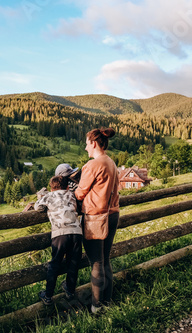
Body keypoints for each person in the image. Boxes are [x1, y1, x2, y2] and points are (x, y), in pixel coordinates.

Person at [75, 127, 119, 314]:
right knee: (105, 260)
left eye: (86, 144)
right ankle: (107, 301)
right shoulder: (111, 162)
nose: (85, 148)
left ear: (93, 143)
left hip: (95, 217)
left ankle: (96, 306)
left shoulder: (92, 165)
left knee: (96, 263)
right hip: (113, 214)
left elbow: (79, 193)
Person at [34, 176, 83, 305]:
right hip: (77, 232)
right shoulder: (71, 194)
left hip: (60, 233)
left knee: (54, 264)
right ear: (67, 186)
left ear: (51, 187)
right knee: (73, 262)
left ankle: (48, 295)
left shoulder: (49, 196)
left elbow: (37, 207)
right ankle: (70, 290)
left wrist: (43, 200)